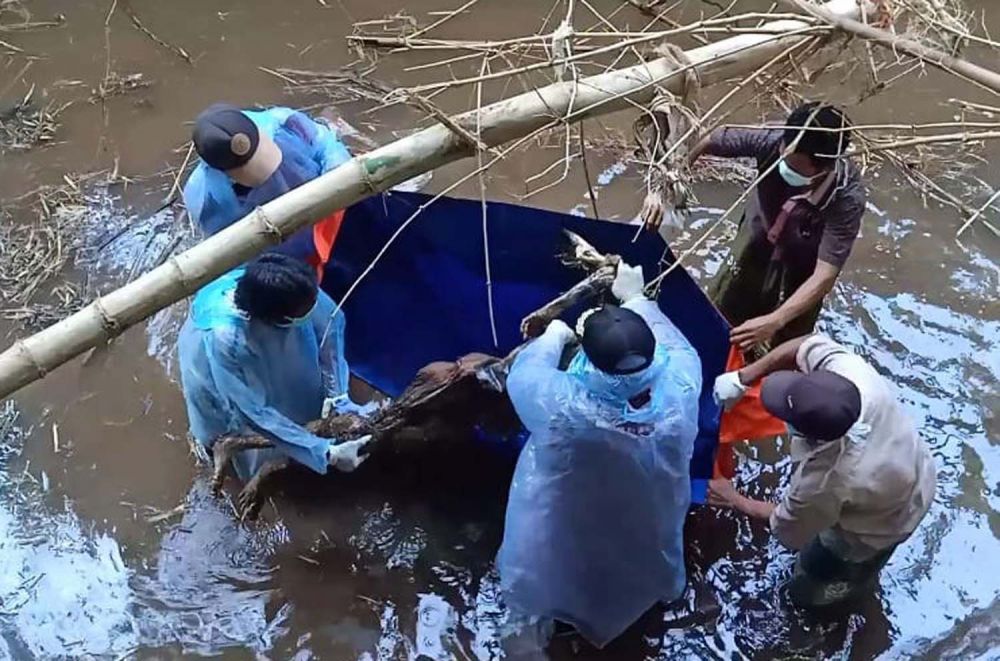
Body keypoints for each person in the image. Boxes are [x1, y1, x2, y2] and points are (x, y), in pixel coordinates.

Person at [496, 262, 702, 648]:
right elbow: (677, 344)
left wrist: (553, 336)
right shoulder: (682, 382)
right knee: (639, 563)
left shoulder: (564, 408)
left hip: (568, 518)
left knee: (551, 573)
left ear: (589, 359)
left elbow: (523, 376)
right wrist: (638, 300)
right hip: (646, 516)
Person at [709, 333, 937, 608]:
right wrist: (742, 377)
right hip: (917, 470)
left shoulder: (826, 480)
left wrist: (733, 498)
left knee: (819, 576)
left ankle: (823, 603)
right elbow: (804, 343)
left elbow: (787, 528)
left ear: (807, 435)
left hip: (880, 526)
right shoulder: (854, 375)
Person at [647, 102, 867, 353]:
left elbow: (823, 275)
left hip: (806, 252)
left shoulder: (846, 197)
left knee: (792, 332)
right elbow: (709, 140)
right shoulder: (772, 140)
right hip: (761, 227)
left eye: (795, 166)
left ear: (824, 167)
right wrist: (667, 185)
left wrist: (776, 320)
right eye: (784, 153)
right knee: (729, 302)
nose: (783, 161)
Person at [177, 252, 369, 481]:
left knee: (298, 389)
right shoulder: (227, 338)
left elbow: (331, 323)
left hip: (279, 327)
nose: (312, 308)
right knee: (236, 417)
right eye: (303, 312)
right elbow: (251, 410)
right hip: (226, 360)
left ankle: (305, 434)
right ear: (276, 317)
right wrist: (325, 452)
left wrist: (338, 394)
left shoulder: (293, 286)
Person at [182, 104, 352, 278]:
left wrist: (336, 171)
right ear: (220, 170)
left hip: (328, 208)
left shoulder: (284, 122)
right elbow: (231, 250)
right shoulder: (206, 197)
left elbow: (325, 145)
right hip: (285, 247)